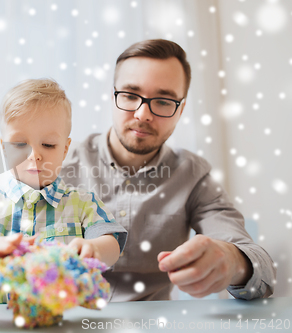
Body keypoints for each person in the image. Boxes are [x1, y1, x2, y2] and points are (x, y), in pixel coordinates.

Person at [60, 39, 276, 301]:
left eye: (162, 101)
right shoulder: (56, 163)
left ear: (181, 110)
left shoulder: (193, 176)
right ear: (113, 95)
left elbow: (262, 274)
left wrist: (233, 261)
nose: (142, 114)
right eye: (130, 95)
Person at [0, 78, 127, 268]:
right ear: (4, 149)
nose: (34, 155)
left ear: (64, 149)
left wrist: (94, 249)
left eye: (48, 145)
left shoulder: (83, 203)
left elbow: (112, 245)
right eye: (20, 144)